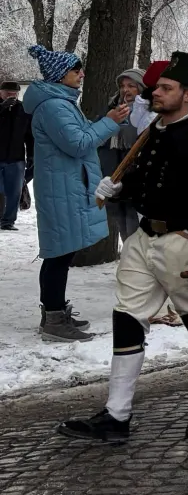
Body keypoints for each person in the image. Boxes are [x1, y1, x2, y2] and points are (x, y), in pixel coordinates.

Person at [57, 52, 188, 443]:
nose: (155, 92)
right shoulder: (156, 131)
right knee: (127, 317)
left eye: (165, 88)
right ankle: (116, 415)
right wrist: (121, 187)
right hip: (144, 239)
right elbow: (148, 179)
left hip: (183, 242)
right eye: (156, 87)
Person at [24, 45, 126, 342]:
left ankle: (54, 311)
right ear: (60, 74)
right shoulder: (54, 107)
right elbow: (78, 144)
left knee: (62, 251)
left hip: (66, 187)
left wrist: (110, 120)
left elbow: (80, 136)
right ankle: (54, 319)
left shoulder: (62, 102)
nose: (81, 74)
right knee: (58, 253)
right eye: (75, 70)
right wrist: (109, 121)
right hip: (62, 190)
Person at [97, 69, 145, 243]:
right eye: (123, 86)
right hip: (113, 174)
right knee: (122, 226)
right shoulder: (112, 108)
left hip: (135, 177)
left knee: (136, 229)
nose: (126, 90)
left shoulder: (147, 112)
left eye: (131, 86)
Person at [0, 80, 33, 231]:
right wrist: (2, 108)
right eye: (8, 93)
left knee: (14, 192)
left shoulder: (23, 109)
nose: (11, 96)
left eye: (14, 94)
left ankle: (8, 221)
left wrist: (31, 155)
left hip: (16, 158)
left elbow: (29, 136)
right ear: (1, 92)